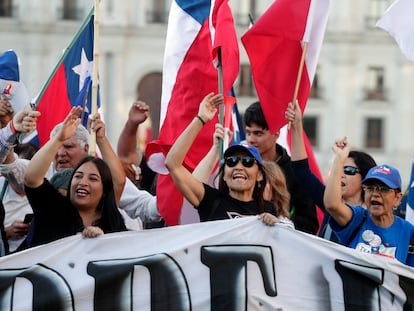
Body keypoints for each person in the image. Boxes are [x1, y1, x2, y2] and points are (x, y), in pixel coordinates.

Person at [165, 93, 286, 226]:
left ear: (259, 175)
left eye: (247, 162)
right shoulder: (211, 201)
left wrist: (277, 225)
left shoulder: (268, 210)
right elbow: (173, 164)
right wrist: (201, 119)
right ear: (224, 175)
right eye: (231, 161)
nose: (239, 167)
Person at [24, 107, 127, 245]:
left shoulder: (112, 221)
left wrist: (100, 139)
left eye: (93, 178)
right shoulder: (53, 209)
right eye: (78, 176)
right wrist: (59, 139)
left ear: (105, 190)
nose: (82, 182)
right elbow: (31, 178)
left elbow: (118, 181)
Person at [285, 101, 377, 241]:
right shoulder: (330, 203)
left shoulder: (376, 215)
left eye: (348, 170)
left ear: (365, 179)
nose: (341, 174)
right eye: (339, 168)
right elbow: (301, 171)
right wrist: (297, 125)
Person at [50, 116, 162, 229]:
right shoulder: (41, 178)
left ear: (86, 148)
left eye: (68, 147)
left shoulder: (103, 174)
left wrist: (167, 200)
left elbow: (141, 203)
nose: (60, 153)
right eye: (55, 147)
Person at [323, 137, 414, 266]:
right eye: (370, 188)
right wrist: (339, 158)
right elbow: (332, 205)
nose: (375, 194)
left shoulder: (408, 231)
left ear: (397, 198)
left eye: (383, 189)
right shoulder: (357, 218)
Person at [244, 101, 318, 234]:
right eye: (248, 133)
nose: (251, 139)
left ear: (276, 133)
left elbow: (310, 224)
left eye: (258, 133)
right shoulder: (239, 168)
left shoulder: (295, 173)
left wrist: (281, 222)